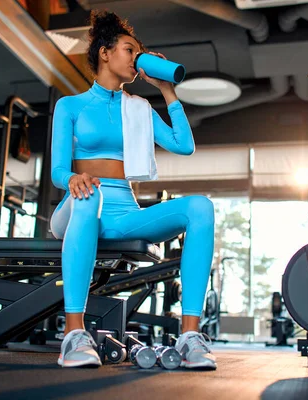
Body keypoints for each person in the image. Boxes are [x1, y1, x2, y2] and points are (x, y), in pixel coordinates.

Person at [50, 10, 216, 370]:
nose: (136, 59)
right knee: (88, 195)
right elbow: (58, 170)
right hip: (78, 205)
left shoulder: (138, 109)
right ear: (105, 53)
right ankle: (73, 334)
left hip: (124, 211)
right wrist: (72, 180)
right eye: (130, 50)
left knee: (200, 207)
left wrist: (166, 91)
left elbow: (183, 145)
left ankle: (189, 336)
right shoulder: (71, 105)